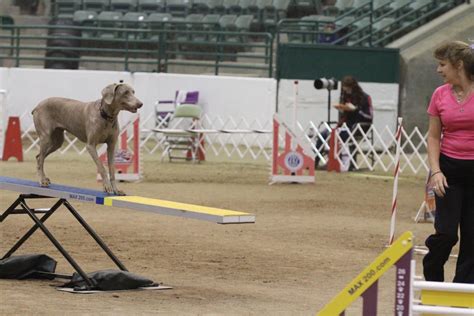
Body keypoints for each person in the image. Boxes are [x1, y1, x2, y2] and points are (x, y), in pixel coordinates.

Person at [423, 40, 474, 284]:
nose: (438, 70)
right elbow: (433, 136)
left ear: (459, 65)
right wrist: (436, 172)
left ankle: (462, 295)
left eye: (443, 64)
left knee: (473, 240)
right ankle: (433, 277)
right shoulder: (439, 95)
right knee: (446, 234)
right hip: (448, 171)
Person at [314, 75, 373, 169]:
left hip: (359, 126)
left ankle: (335, 161)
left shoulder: (365, 97)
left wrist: (356, 110)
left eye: (348, 88)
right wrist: (342, 109)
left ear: (354, 87)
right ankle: (315, 160)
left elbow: (369, 116)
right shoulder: (345, 96)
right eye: (345, 88)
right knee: (324, 133)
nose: (346, 90)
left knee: (334, 135)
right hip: (345, 125)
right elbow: (344, 116)